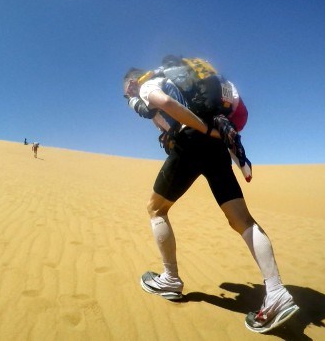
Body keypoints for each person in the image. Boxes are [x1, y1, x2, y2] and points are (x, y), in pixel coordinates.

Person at [123, 61, 298, 334]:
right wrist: (214, 135)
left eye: (126, 93)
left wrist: (198, 128)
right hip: (216, 143)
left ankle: (170, 279)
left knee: (156, 209)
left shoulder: (147, 84)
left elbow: (165, 102)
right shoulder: (183, 79)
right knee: (242, 220)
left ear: (132, 83)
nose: (128, 97)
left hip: (192, 140)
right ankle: (276, 291)